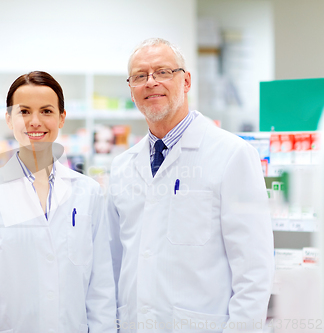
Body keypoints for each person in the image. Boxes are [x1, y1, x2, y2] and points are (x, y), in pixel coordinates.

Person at [107, 38, 274, 332]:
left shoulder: (232, 155)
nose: (151, 82)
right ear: (131, 91)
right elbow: (116, 262)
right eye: (140, 76)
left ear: (186, 81)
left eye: (163, 72)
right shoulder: (122, 167)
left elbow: (253, 269)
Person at [0, 71, 116, 333]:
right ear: (9, 118)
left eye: (46, 111)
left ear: (61, 118)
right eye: (24, 112)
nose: (35, 121)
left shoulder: (88, 192)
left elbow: (101, 285)